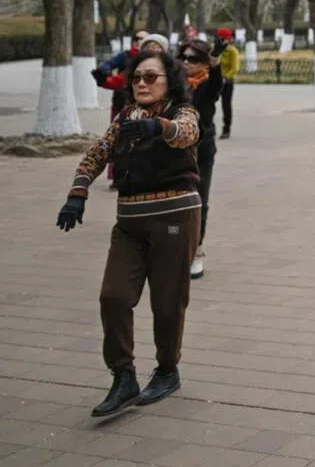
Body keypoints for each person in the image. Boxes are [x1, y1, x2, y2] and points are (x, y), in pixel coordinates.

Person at [56, 50, 202, 417]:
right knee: (113, 297)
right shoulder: (126, 117)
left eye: (151, 77)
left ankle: (168, 370)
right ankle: (123, 376)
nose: (141, 83)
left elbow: (188, 133)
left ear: (170, 81)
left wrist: (160, 127)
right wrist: (77, 193)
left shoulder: (181, 111)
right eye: (136, 77)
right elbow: (96, 154)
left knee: (167, 303)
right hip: (130, 223)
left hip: (175, 217)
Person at [177, 39, 225, 279]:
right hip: (175, 151)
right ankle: (176, 250)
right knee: (176, 201)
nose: (186, 63)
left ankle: (197, 251)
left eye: (193, 59)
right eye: (183, 57)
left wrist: (216, 64)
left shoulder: (208, 84)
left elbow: (217, 82)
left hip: (202, 151)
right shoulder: (173, 83)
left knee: (198, 201)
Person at [91, 30, 148, 188]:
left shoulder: (161, 63)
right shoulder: (126, 57)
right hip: (123, 105)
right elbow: (118, 79)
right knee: (119, 141)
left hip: (149, 111)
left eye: (144, 39)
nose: (139, 41)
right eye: (137, 38)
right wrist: (103, 76)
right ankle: (119, 177)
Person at [215, 28, 240, 139]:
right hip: (215, 81)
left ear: (228, 39)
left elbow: (235, 68)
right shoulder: (215, 50)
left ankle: (226, 129)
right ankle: (208, 127)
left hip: (227, 82)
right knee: (208, 104)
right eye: (219, 38)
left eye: (223, 39)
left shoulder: (232, 51)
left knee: (226, 105)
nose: (221, 40)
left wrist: (226, 77)